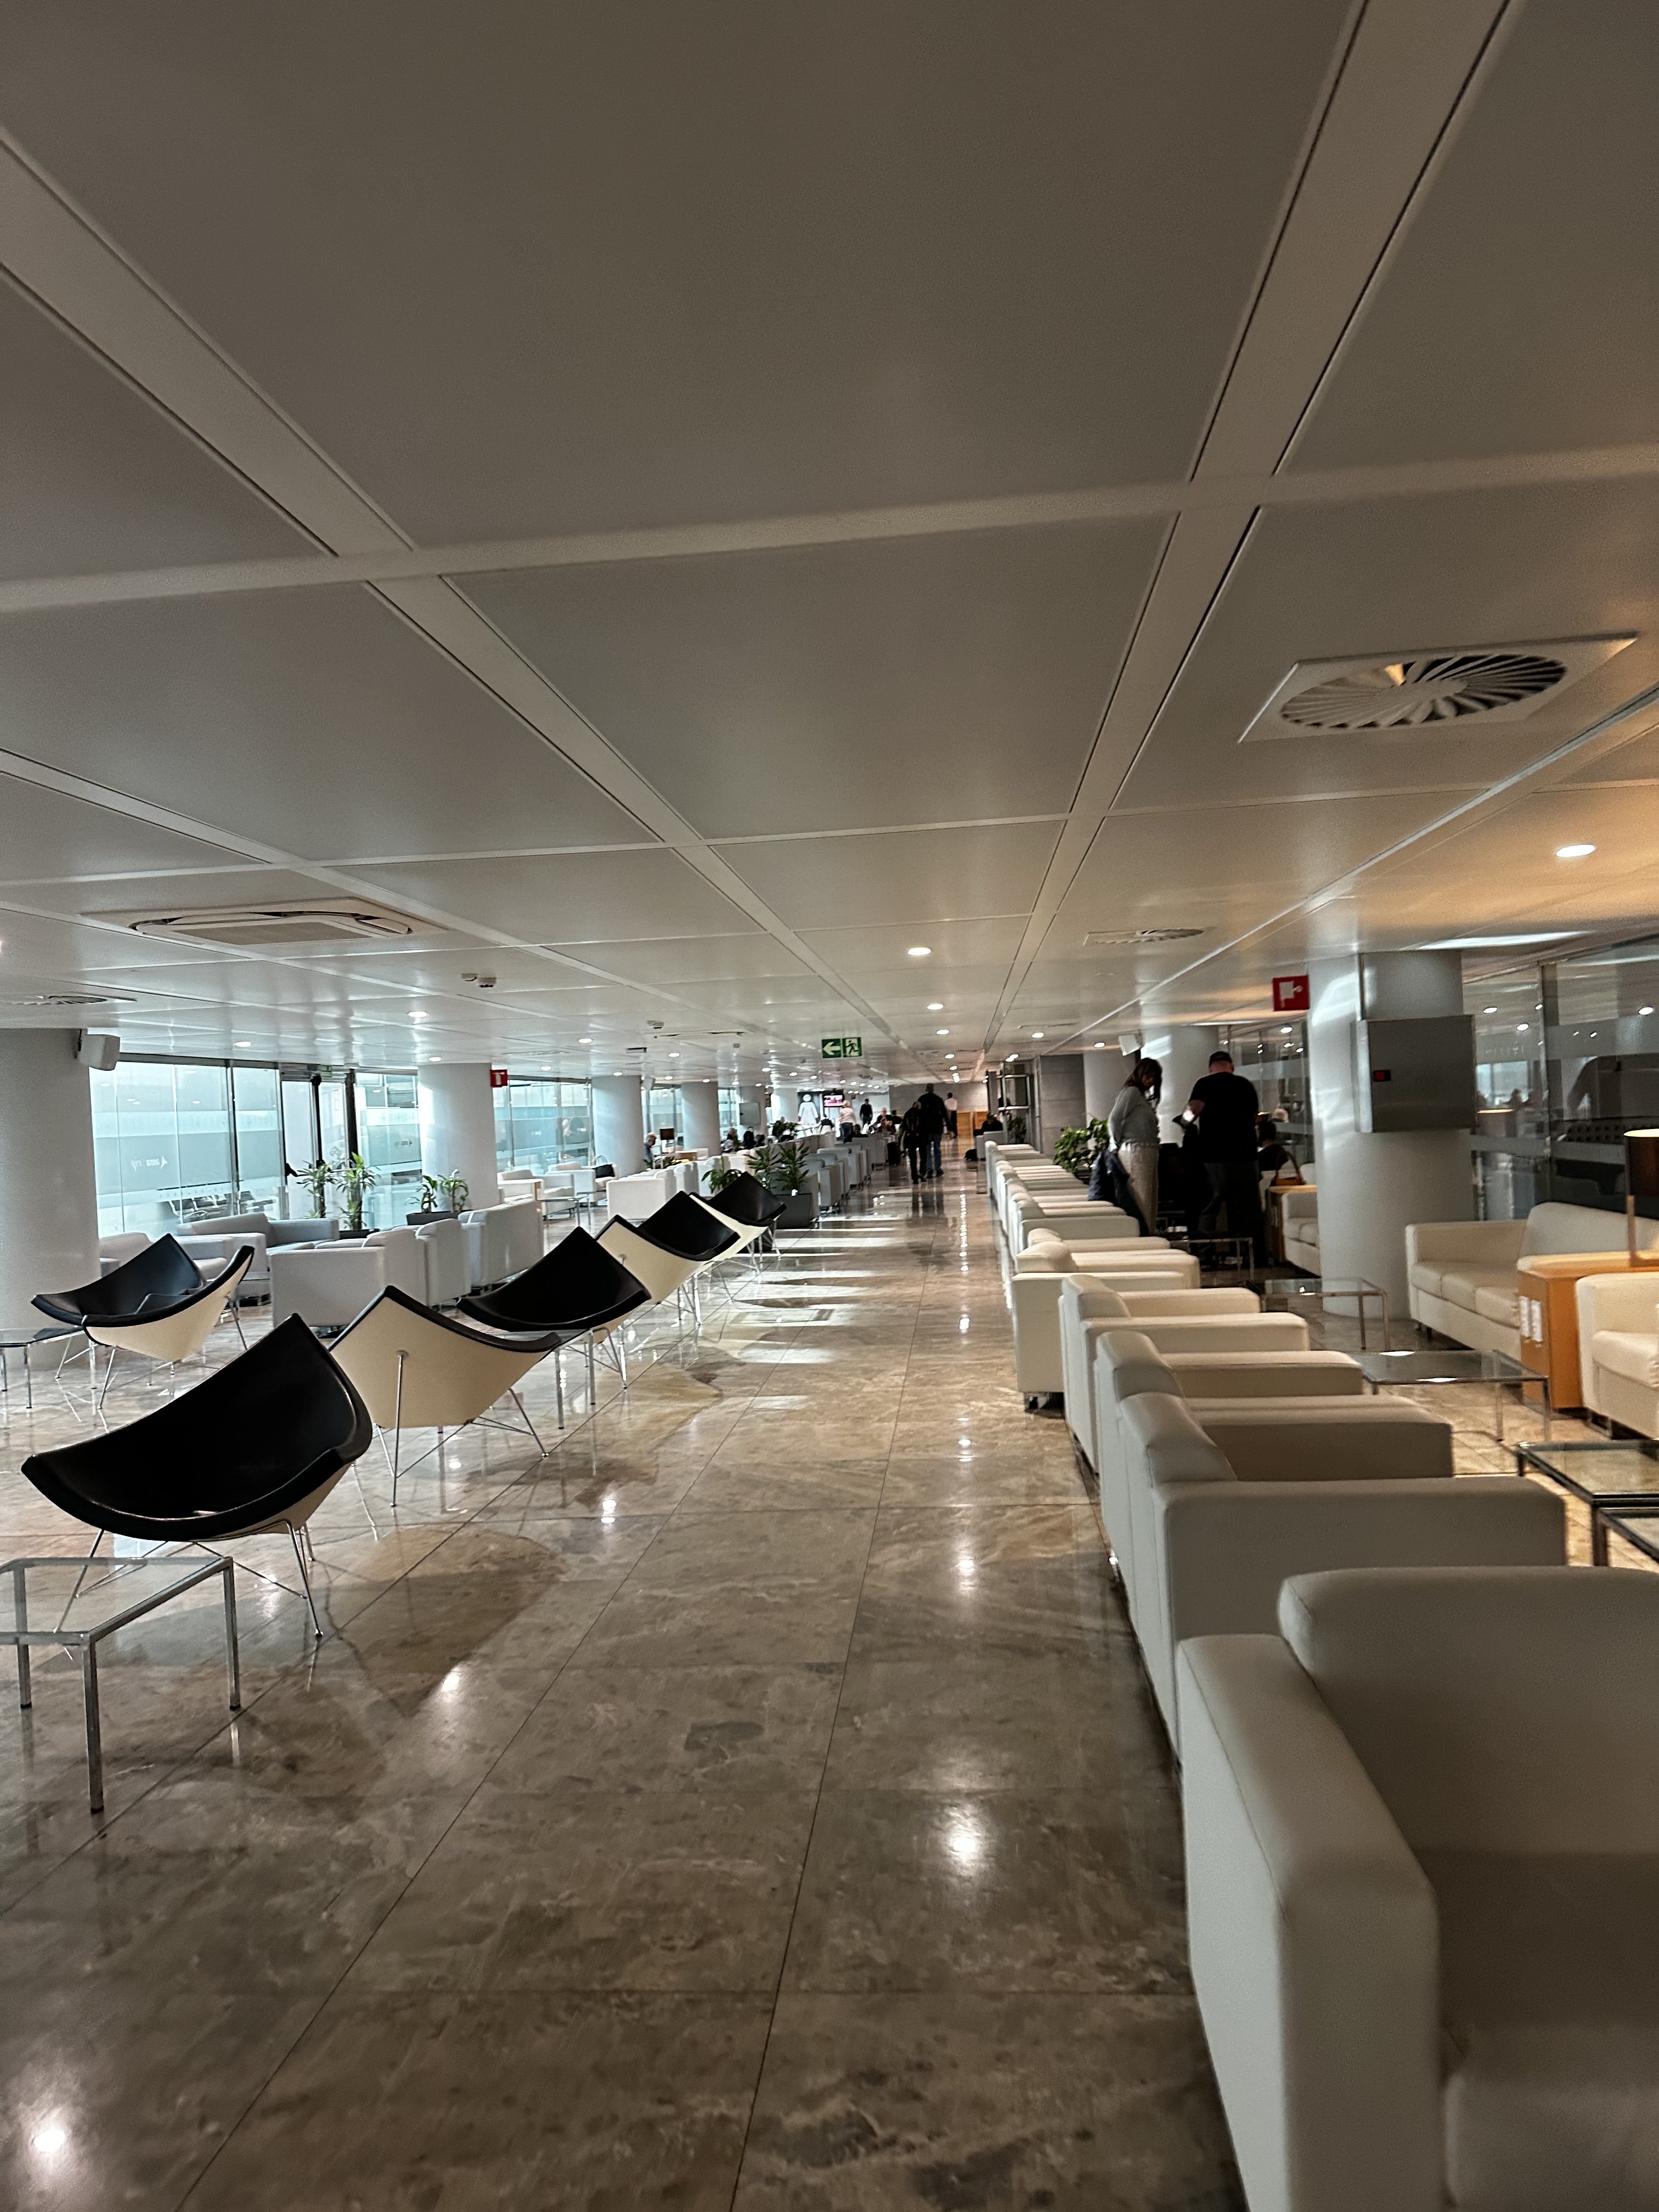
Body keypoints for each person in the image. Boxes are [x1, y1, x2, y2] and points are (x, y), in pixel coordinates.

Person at [1183, 1049, 1266, 1263]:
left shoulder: (1204, 1084)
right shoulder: (1245, 1085)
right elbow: (1255, 1117)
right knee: (1249, 1208)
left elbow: (1192, 1112)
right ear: (1231, 1066)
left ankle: (1205, 1255)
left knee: (1210, 1206)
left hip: (1214, 1156)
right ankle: (1255, 1256)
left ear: (1211, 1068)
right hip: (1246, 1156)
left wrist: (1184, 1122)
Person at [1107, 1057, 1162, 1232]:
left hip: (1146, 1151)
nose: (1151, 1081)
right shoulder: (1131, 1092)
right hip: (1136, 1151)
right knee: (1141, 1200)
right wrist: (1116, 1144)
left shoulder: (1140, 1096)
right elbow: (1114, 1119)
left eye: (1154, 1078)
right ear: (1140, 1073)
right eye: (1148, 1076)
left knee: (1149, 1200)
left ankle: (1148, 1236)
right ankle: (1142, 1238)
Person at [914, 1084, 949, 1180]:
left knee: (928, 1150)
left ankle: (929, 1169)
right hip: (937, 1128)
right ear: (933, 1089)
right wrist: (950, 1128)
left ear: (926, 1089)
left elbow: (917, 1113)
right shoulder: (938, 1099)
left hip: (926, 1129)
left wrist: (917, 1129)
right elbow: (945, 1114)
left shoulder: (922, 1099)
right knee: (937, 1148)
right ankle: (938, 1169)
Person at [900, 1099, 926, 1183]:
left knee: (913, 1159)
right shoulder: (920, 1113)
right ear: (918, 1106)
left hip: (910, 1138)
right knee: (923, 1156)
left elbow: (904, 1126)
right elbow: (923, 1125)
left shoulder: (907, 1113)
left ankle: (914, 1177)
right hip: (919, 1138)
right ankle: (922, 1173)